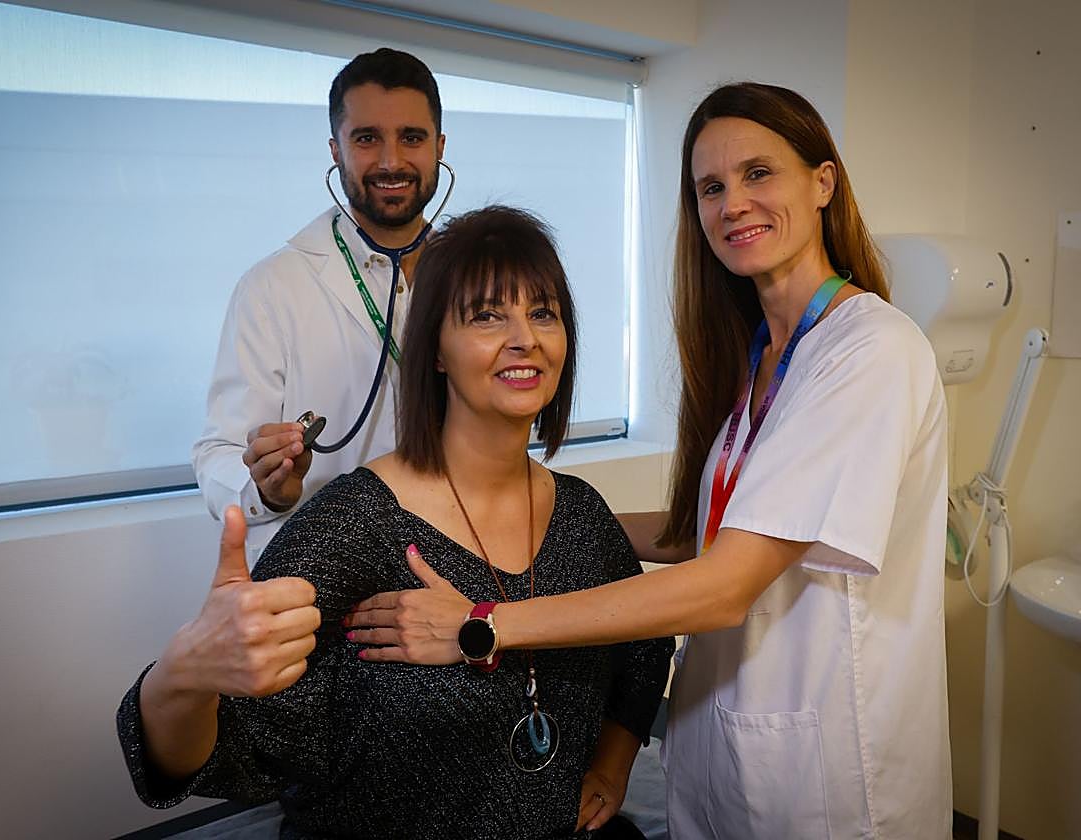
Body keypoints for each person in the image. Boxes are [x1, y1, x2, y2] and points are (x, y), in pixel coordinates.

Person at [344, 83, 953, 839]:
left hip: (828, 766)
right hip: (719, 742)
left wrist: (482, 623)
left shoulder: (871, 352)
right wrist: (542, 509)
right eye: (711, 187)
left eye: (758, 174)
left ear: (823, 183)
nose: (734, 203)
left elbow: (729, 582)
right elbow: (713, 528)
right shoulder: (757, 361)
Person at [118, 206, 674, 839]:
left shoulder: (580, 517)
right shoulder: (358, 529)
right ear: (434, 350)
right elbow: (198, 760)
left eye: (542, 313)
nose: (525, 337)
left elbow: (645, 643)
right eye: (488, 315)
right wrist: (183, 675)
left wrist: (612, 765)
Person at [192, 48, 448, 564]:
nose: (391, 161)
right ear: (336, 149)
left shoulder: (473, 280)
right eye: (367, 138)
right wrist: (267, 487)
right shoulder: (273, 287)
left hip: (454, 557)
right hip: (326, 571)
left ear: (440, 146)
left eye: (412, 138)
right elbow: (219, 452)